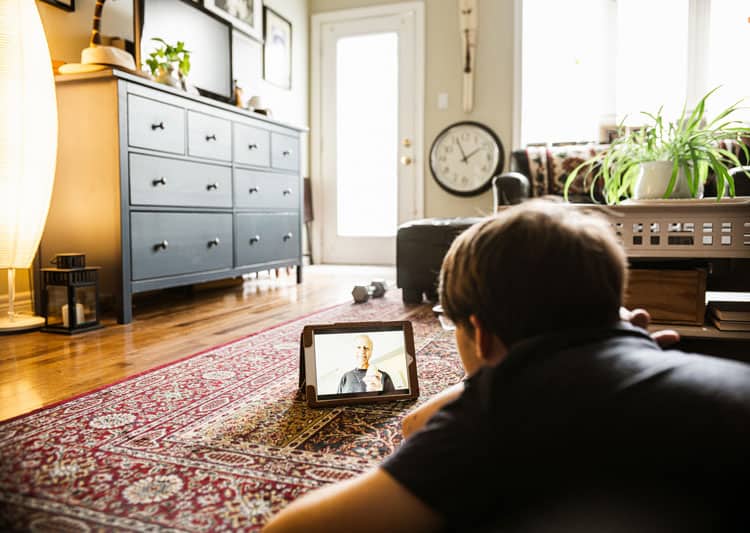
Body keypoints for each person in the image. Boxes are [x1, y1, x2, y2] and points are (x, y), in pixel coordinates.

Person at [263, 199, 750, 533]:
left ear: (480, 333)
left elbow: (289, 528)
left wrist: (488, 388)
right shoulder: (665, 363)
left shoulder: (502, 414)